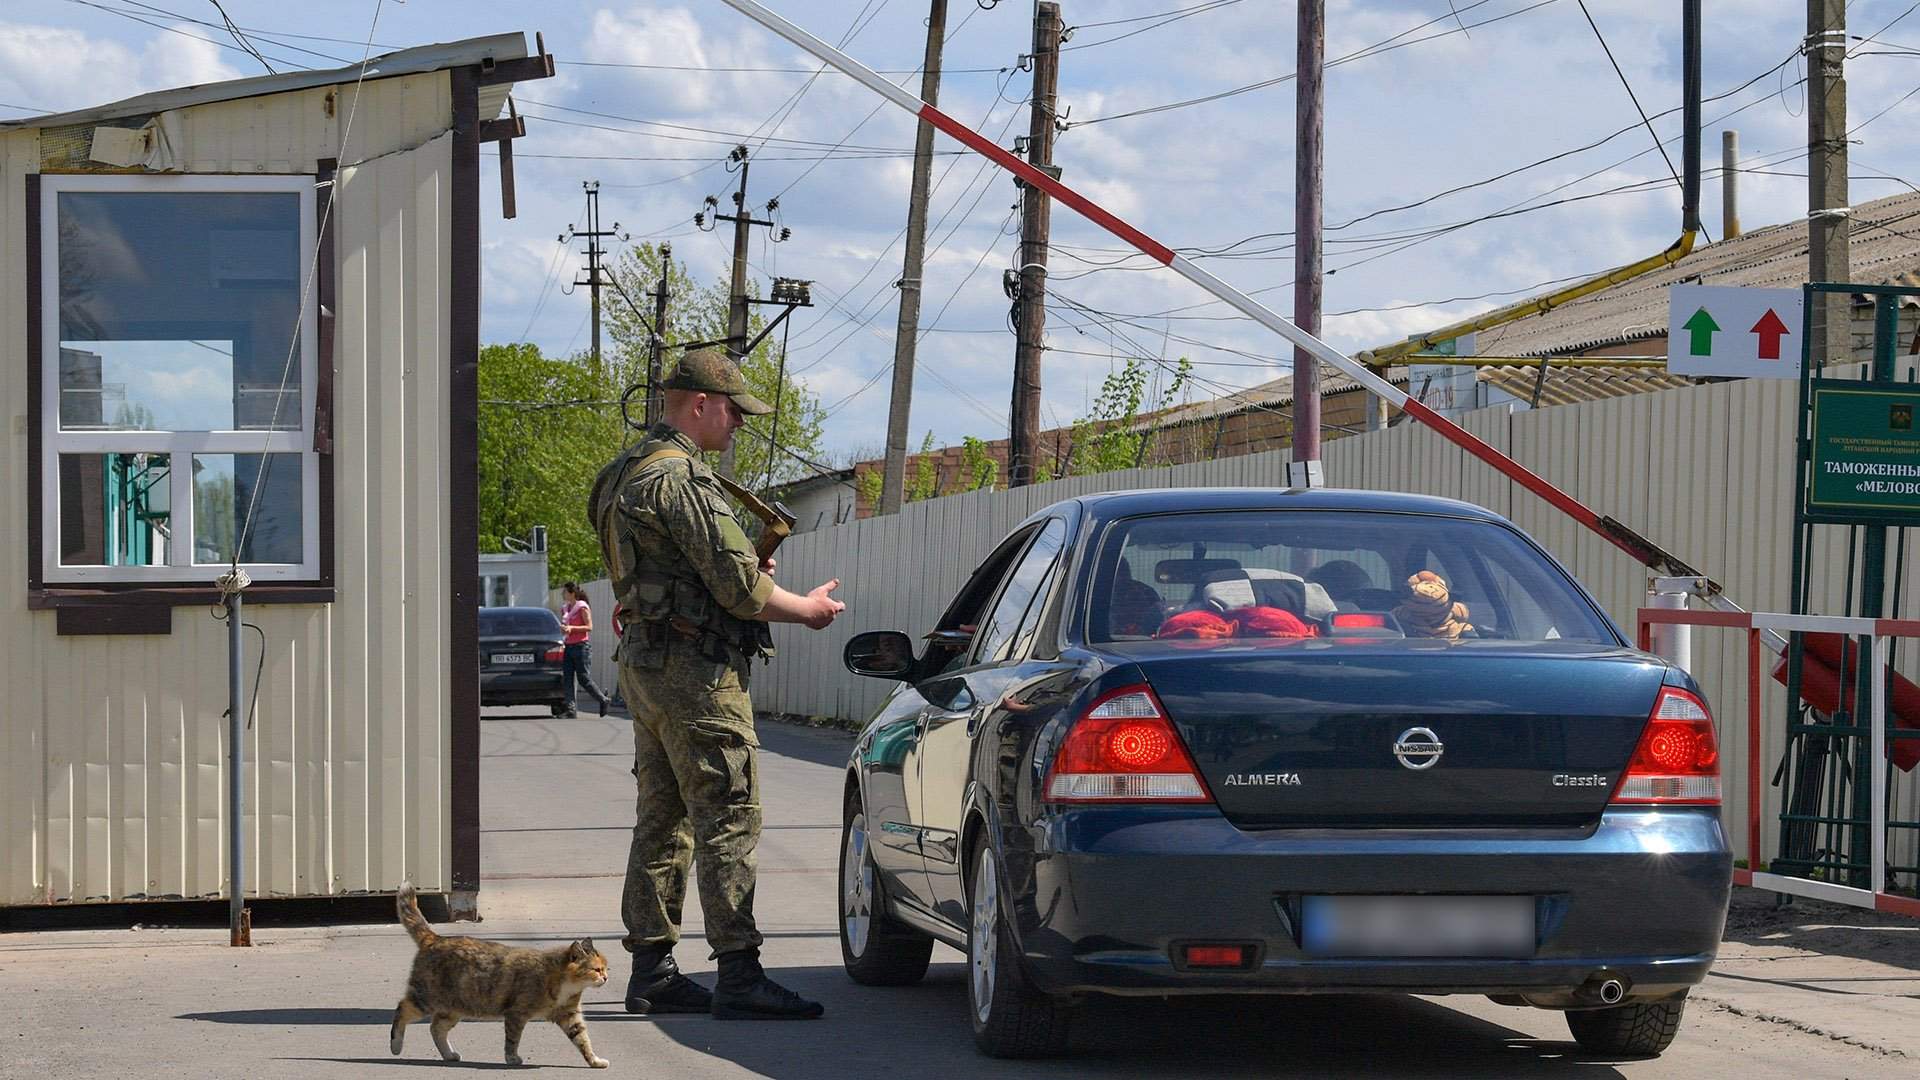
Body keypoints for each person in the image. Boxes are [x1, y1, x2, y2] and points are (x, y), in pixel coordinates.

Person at [589, 349, 846, 1022]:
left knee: (662, 817)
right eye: (732, 411)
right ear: (699, 404)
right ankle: (739, 972)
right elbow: (741, 590)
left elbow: (653, 575)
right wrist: (809, 611)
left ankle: (653, 971)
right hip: (694, 672)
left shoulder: (620, 475)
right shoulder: (682, 482)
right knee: (728, 813)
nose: (737, 425)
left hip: (644, 663)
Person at [557, 582, 611, 719]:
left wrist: (572, 629)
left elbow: (589, 627)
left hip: (581, 647)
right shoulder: (565, 608)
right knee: (568, 679)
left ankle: (603, 699)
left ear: (572, 593)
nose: (563, 594)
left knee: (583, 678)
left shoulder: (582, 607)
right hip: (568, 646)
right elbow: (566, 626)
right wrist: (563, 629)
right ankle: (571, 709)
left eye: (565, 592)